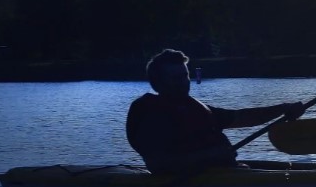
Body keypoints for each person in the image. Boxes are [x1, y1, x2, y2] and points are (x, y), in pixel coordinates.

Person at [126, 49, 305, 173]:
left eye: (184, 76)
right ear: (158, 82)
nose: (183, 82)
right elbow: (158, 164)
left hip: (221, 173)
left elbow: (241, 117)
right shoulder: (150, 112)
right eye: (175, 78)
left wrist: (283, 109)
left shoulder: (194, 107)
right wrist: (210, 156)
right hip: (188, 184)